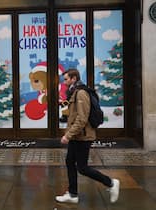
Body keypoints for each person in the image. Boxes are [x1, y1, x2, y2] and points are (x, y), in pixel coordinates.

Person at [55, 68, 120, 204]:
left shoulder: (81, 93)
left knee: (82, 168)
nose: (64, 82)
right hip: (77, 136)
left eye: (66, 79)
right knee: (69, 162)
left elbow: (82, 118)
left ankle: (111, 183)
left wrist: (68, 135)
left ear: (74, 79)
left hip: (83, 136)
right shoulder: (74, 91)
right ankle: (73, 194)